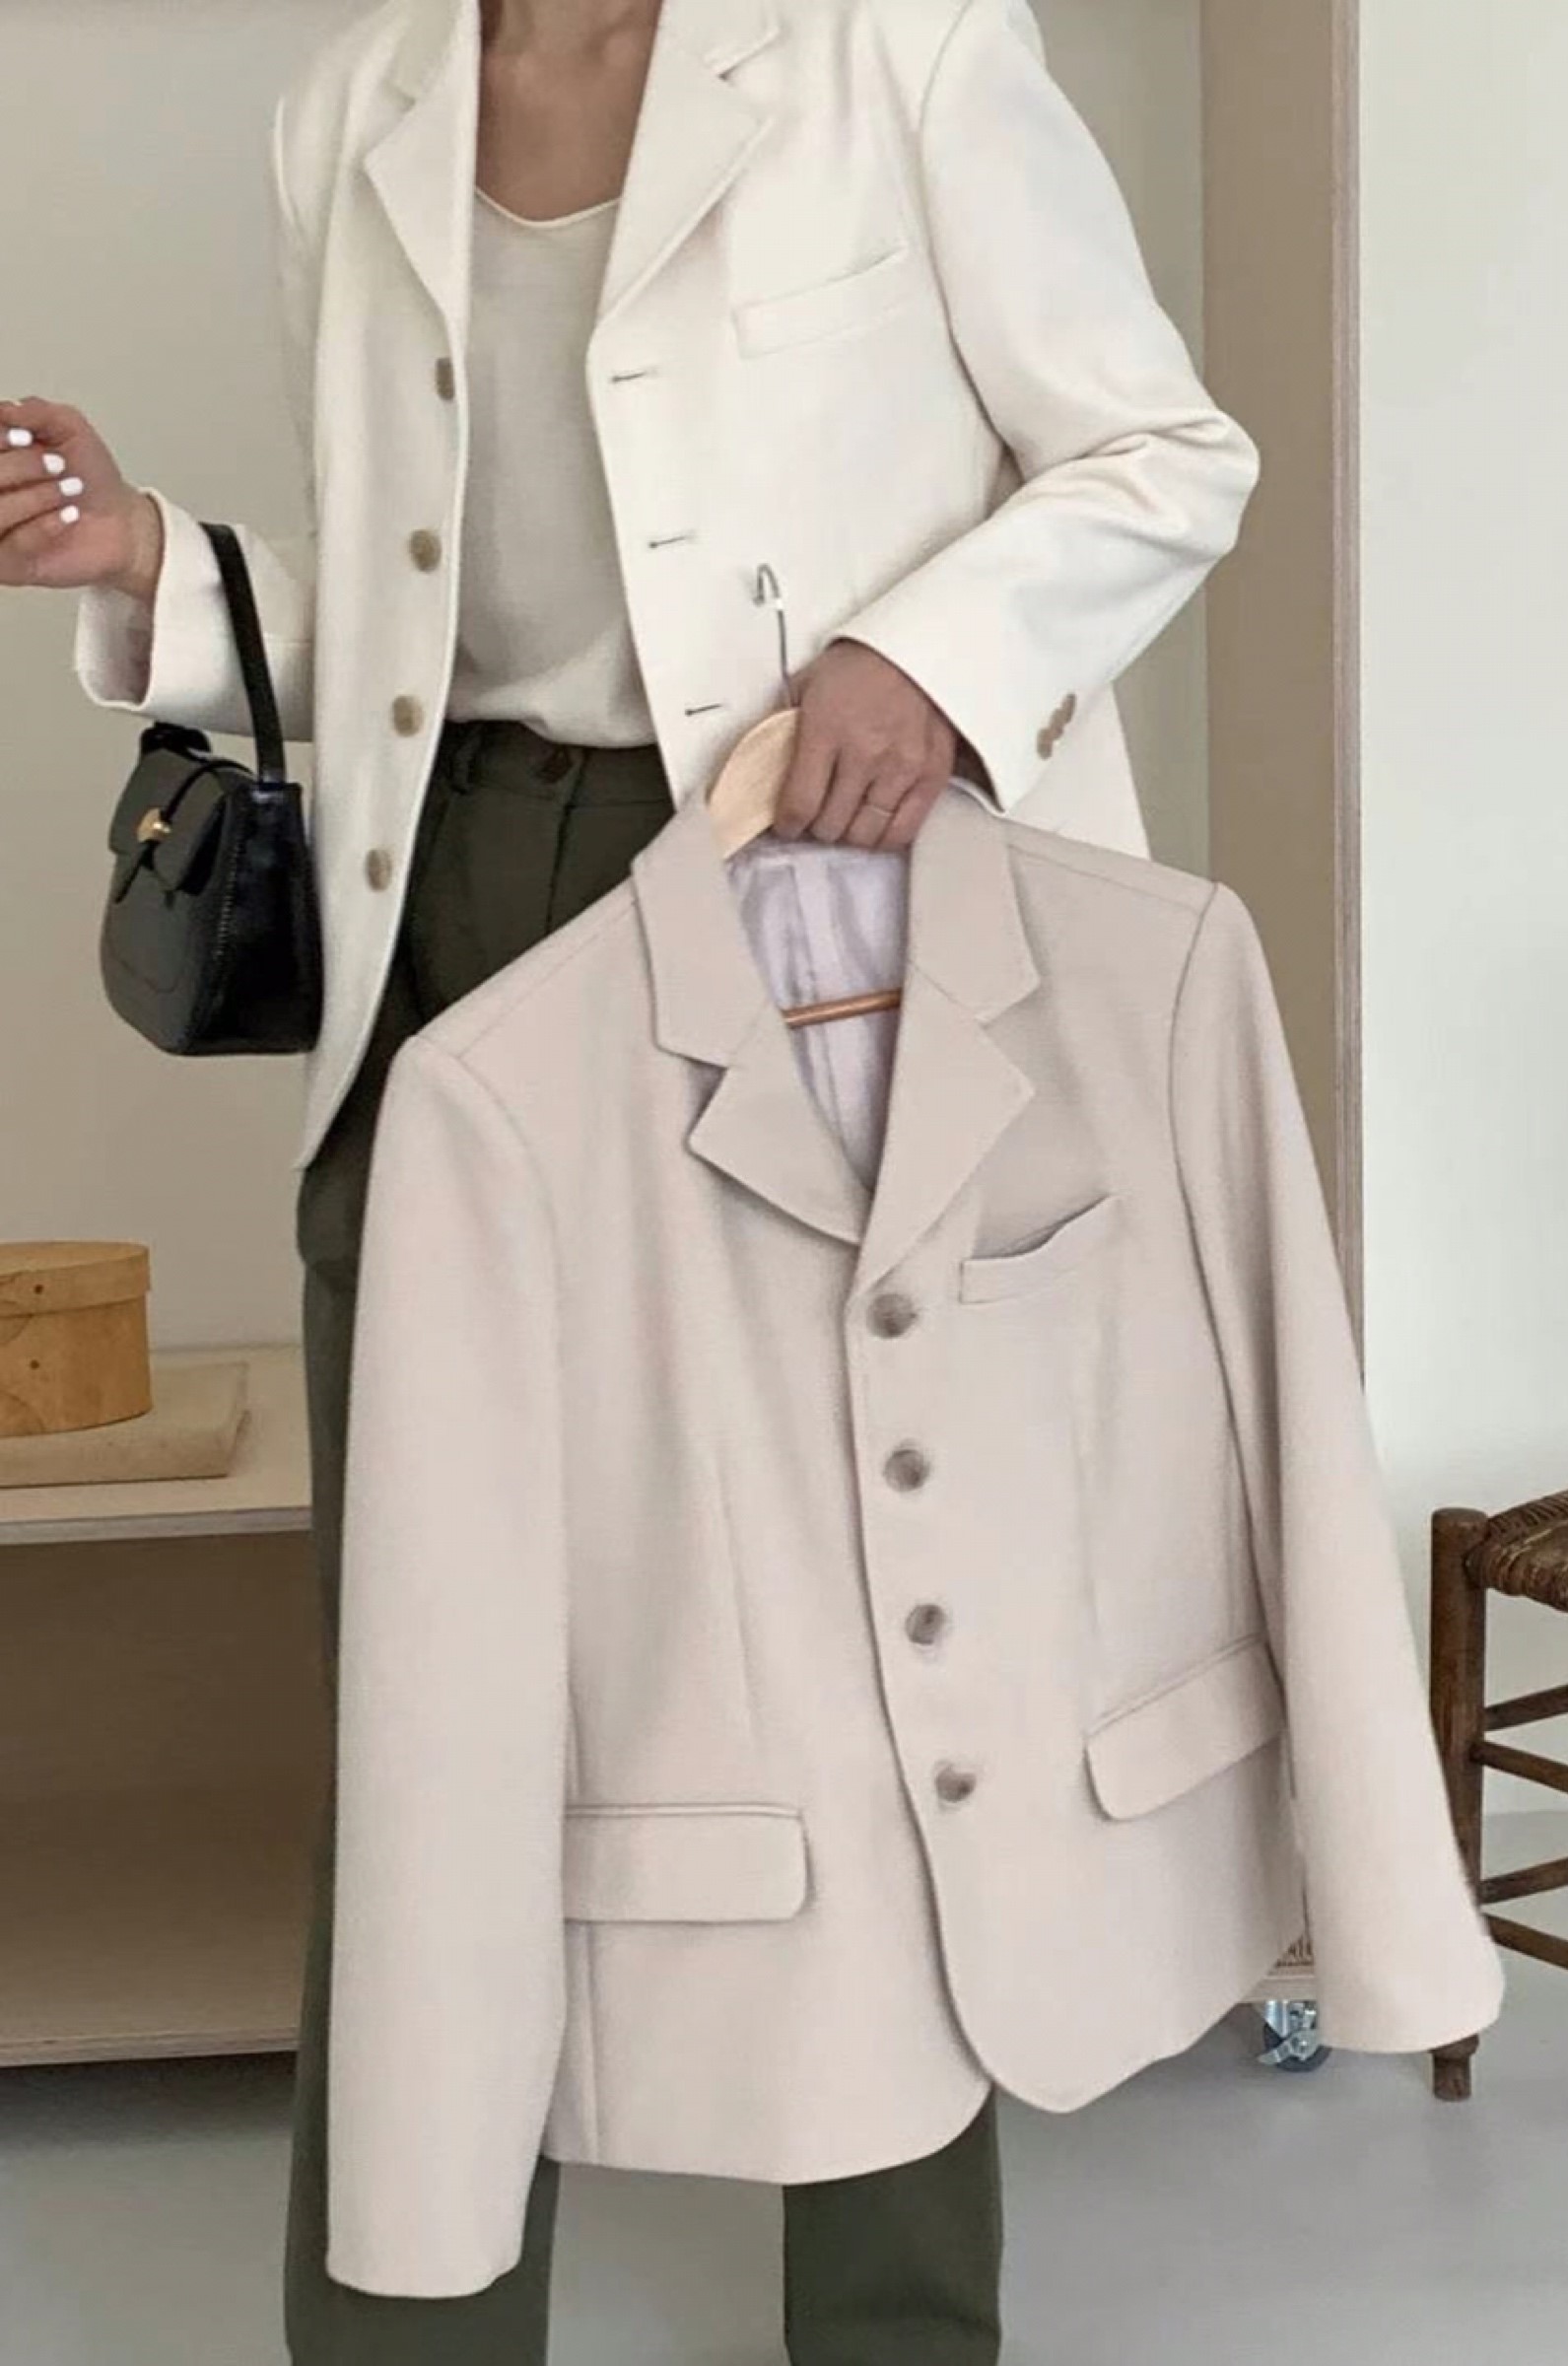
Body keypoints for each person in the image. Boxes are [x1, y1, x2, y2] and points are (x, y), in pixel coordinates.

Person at [0, 0, 1259, 2357]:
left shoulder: (898, 48)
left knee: (872, 1657)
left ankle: (894, 2332)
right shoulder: (348, 107)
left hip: (814, 912)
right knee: (432, 1695)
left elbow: (1158, 450)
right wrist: (150, 554)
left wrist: (918, 659)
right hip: (450, 926)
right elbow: (428, 617)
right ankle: (408, 2323)